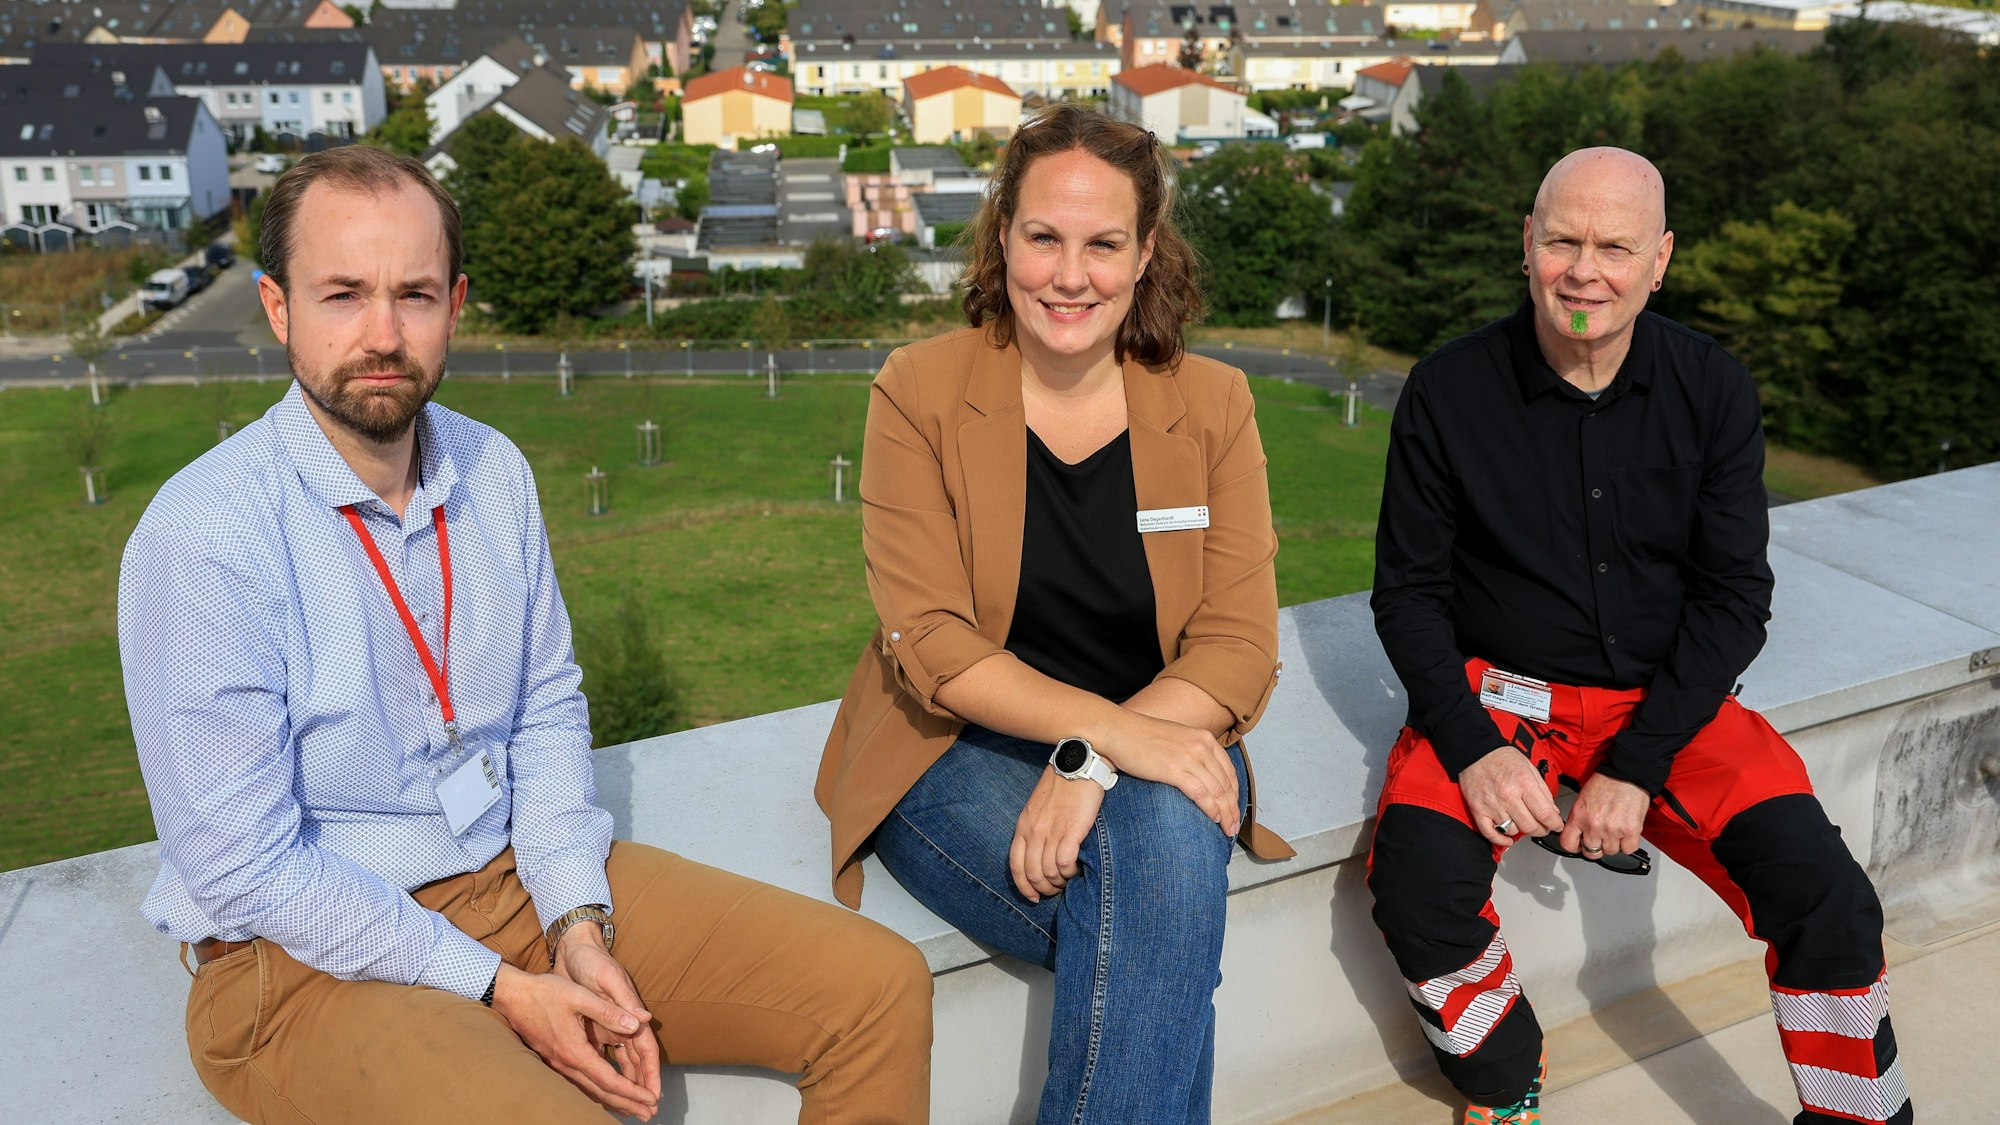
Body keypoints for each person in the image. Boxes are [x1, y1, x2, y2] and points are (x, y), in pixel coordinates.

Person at [119, 146, 932, 1125]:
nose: (382, 333)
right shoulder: (206, 535)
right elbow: (245, 869)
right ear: (277, 307)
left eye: (413, 294)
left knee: (875, 988)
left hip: (502, 880)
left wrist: (578, 925)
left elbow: (544, 708)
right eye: (342, 295)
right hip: (293, 963)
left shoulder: (490, 469)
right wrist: (501, 986)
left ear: (455, 305)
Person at [1366, 147, 1911, 1125]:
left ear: (1657, 260)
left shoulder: (1713, 388)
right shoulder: (1447, 392)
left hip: (1670, 700)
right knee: (1414, 883)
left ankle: (1854, 1120)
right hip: (1500, 696)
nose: (1584, 272)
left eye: (1612, 247)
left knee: (1825, 897)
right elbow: (1405, 597)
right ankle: (1500, 1078)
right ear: (1523, 245)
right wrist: (1470, 747)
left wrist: (1636, 763)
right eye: (1562, 241)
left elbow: (1732, 598)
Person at [815, 102, 1295, 1124]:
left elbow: (1239, 641)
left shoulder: (1212, 404)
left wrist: (1098, 765)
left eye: (1101, 243)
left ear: (1144, 252)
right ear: (1002, 237)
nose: (1067, 276)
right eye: (1042, 236)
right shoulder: (921, 389)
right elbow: (933, 643)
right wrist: (1101, 748)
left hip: (1162, 736)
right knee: (1164, 915)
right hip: (952, 750)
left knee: (1155, 881)